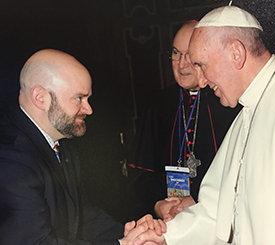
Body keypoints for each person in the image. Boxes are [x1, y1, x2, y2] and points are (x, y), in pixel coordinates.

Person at [132, 5, 275, 245]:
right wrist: (164, 237)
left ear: (236, 53)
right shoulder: (245, 116)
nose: (201, 80)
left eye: (201, 64)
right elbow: (215, 211)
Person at [0, 49, 166, 245]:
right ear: (40, 97)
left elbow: (83, 217)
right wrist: (123, 244)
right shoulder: (10, 157)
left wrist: (134, 234)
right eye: (79, 98)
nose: (89, 109)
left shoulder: (60, 144)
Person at [129, 20, 240, 221]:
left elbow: (240, 171)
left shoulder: (228, 101)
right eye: (176, 53)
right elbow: (142, 173)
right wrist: (157, 204)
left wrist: (198, 198)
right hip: (169, 221)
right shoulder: (158, 104)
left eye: (189, 55)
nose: (181, 64)